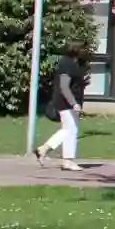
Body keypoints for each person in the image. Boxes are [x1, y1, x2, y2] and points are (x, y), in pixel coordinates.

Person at [35, 43, 91, 172]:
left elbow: (76, 82)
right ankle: (67, 161)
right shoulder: (66, 63)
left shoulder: (78, 63)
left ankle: (43, 149)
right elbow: (64, 86)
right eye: (84, 50)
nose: (86, 52)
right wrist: (73, 103)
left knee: (68, 130)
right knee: (71, 130)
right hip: (65, 102)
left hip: (73, 101)